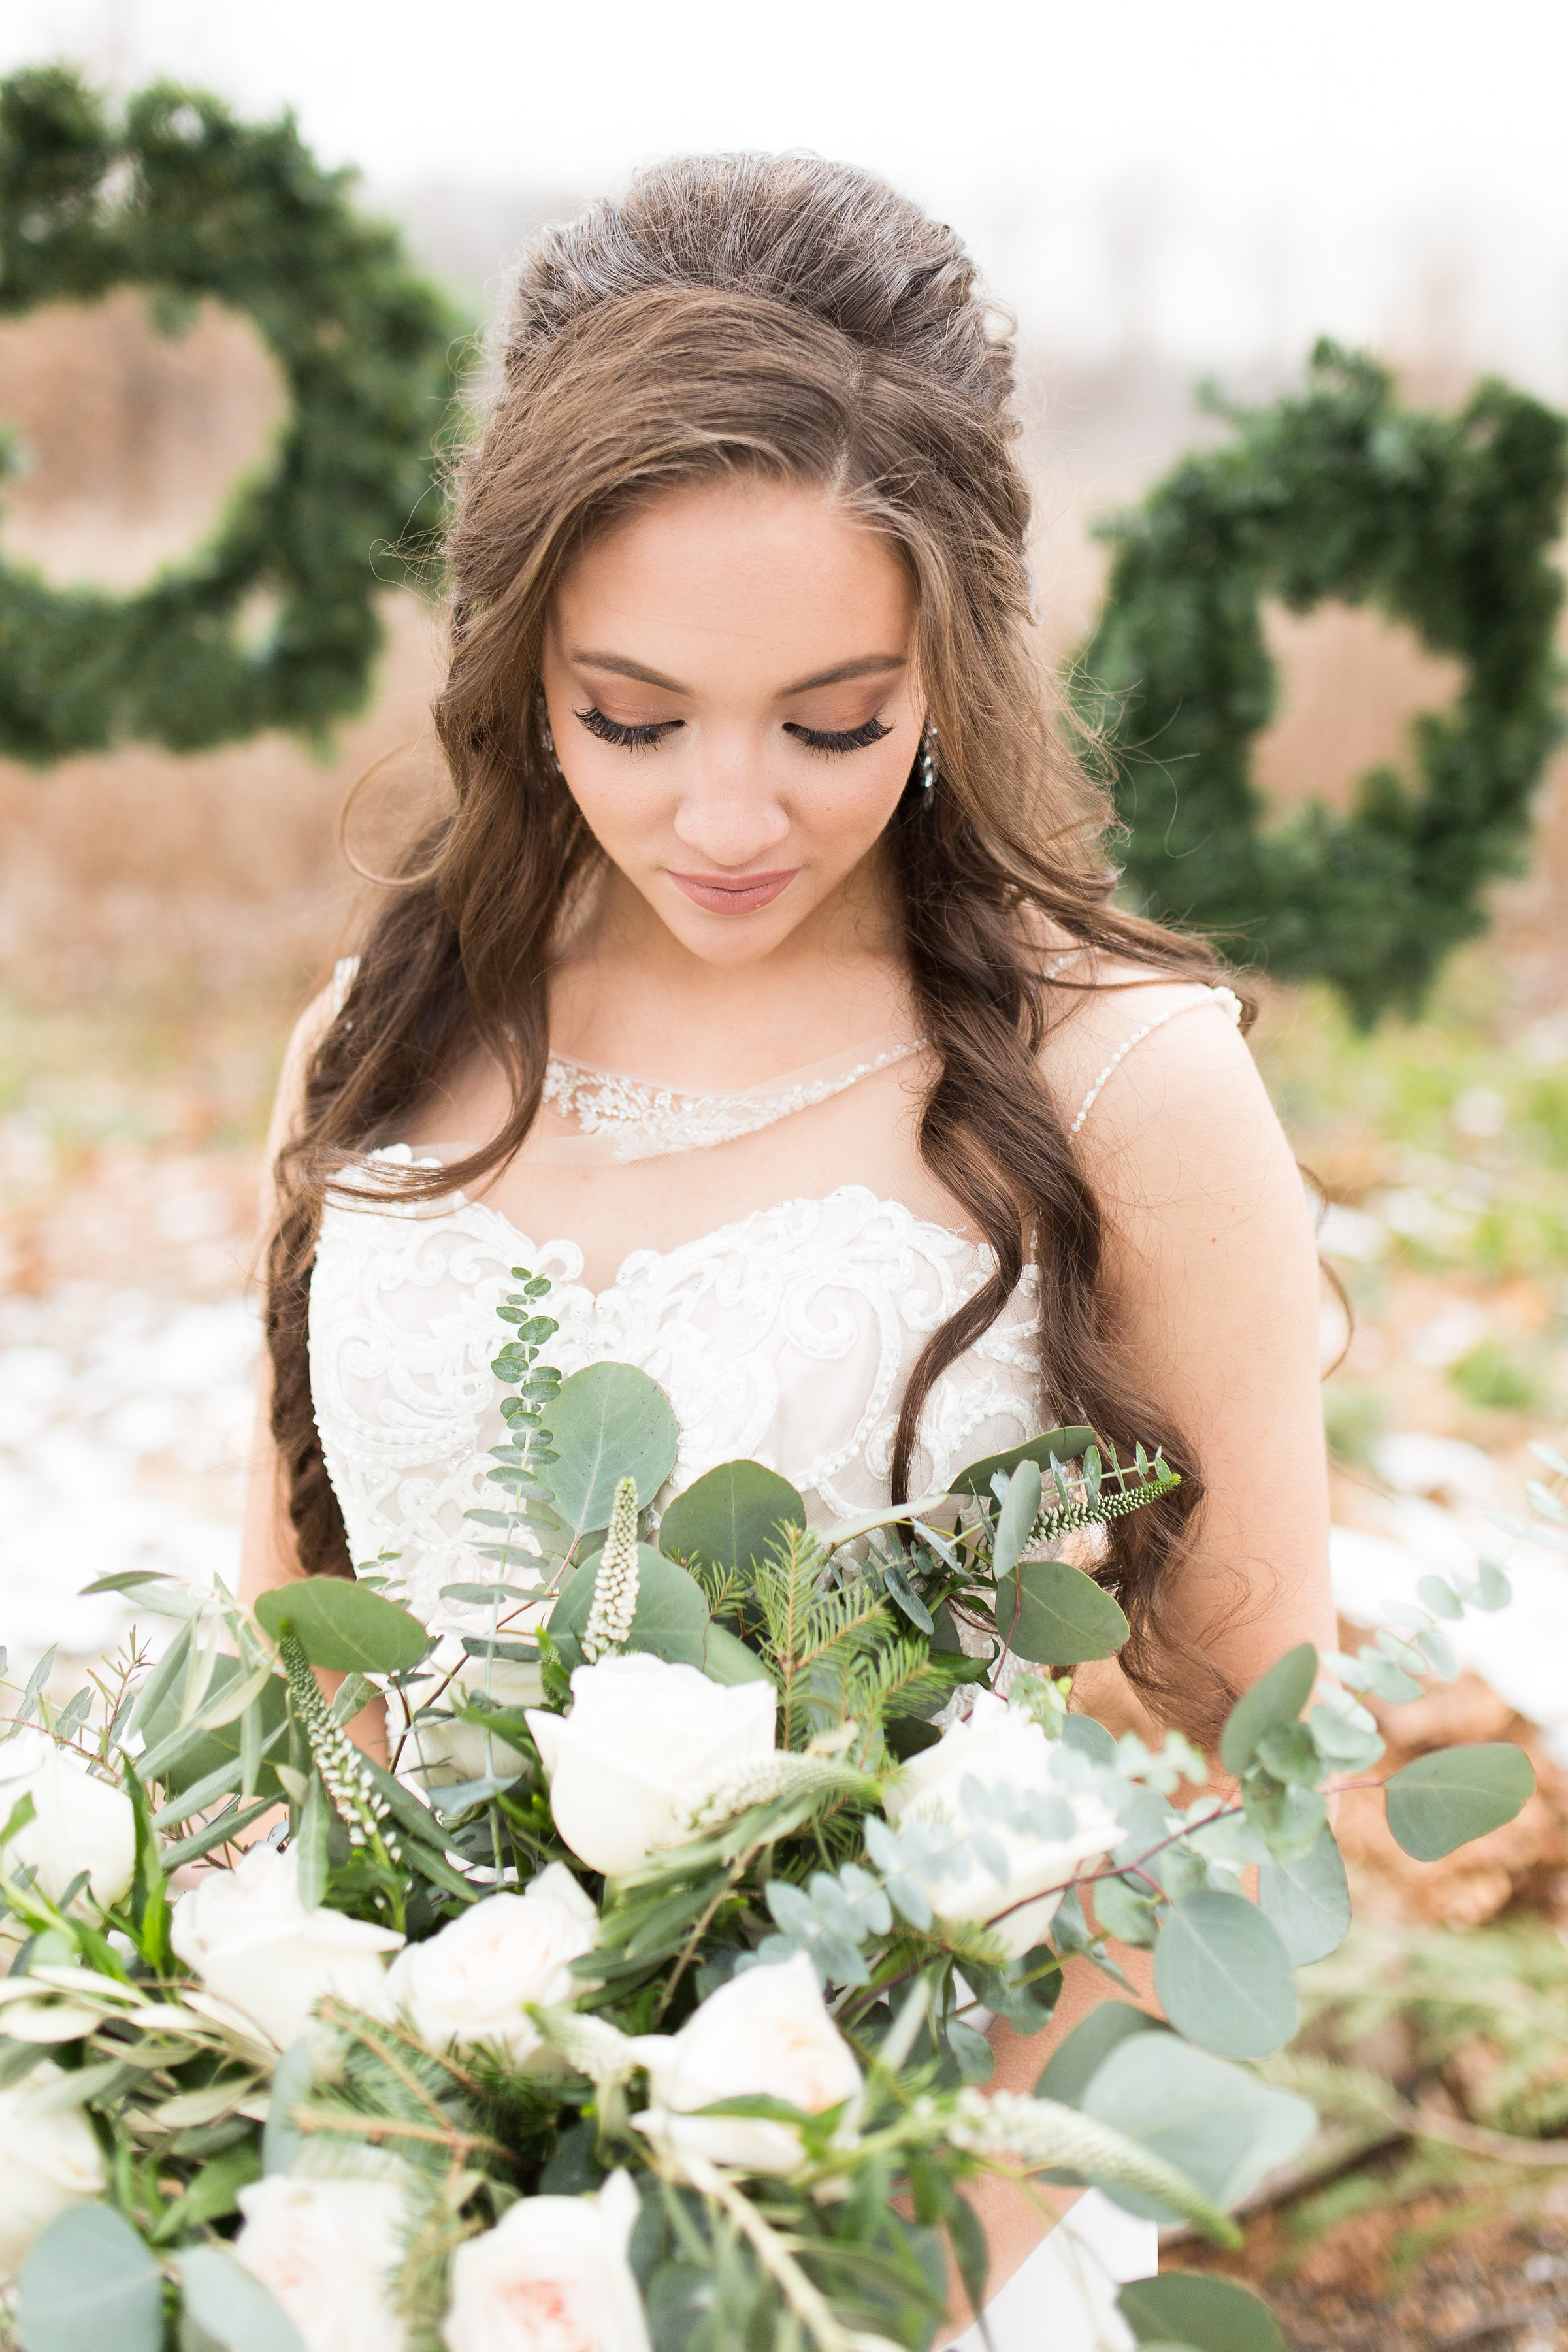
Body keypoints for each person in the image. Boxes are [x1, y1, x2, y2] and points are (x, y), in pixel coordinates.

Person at [241, 153, 1334, 2346]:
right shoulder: (377, 1048)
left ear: (955, 655)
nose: (726, 819)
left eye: (836, 722)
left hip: (892, 2234)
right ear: (518, 658)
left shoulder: (1124, 1085)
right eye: (630, 717)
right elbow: (298, 1670)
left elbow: (1236, 1766)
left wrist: (865, 2266)